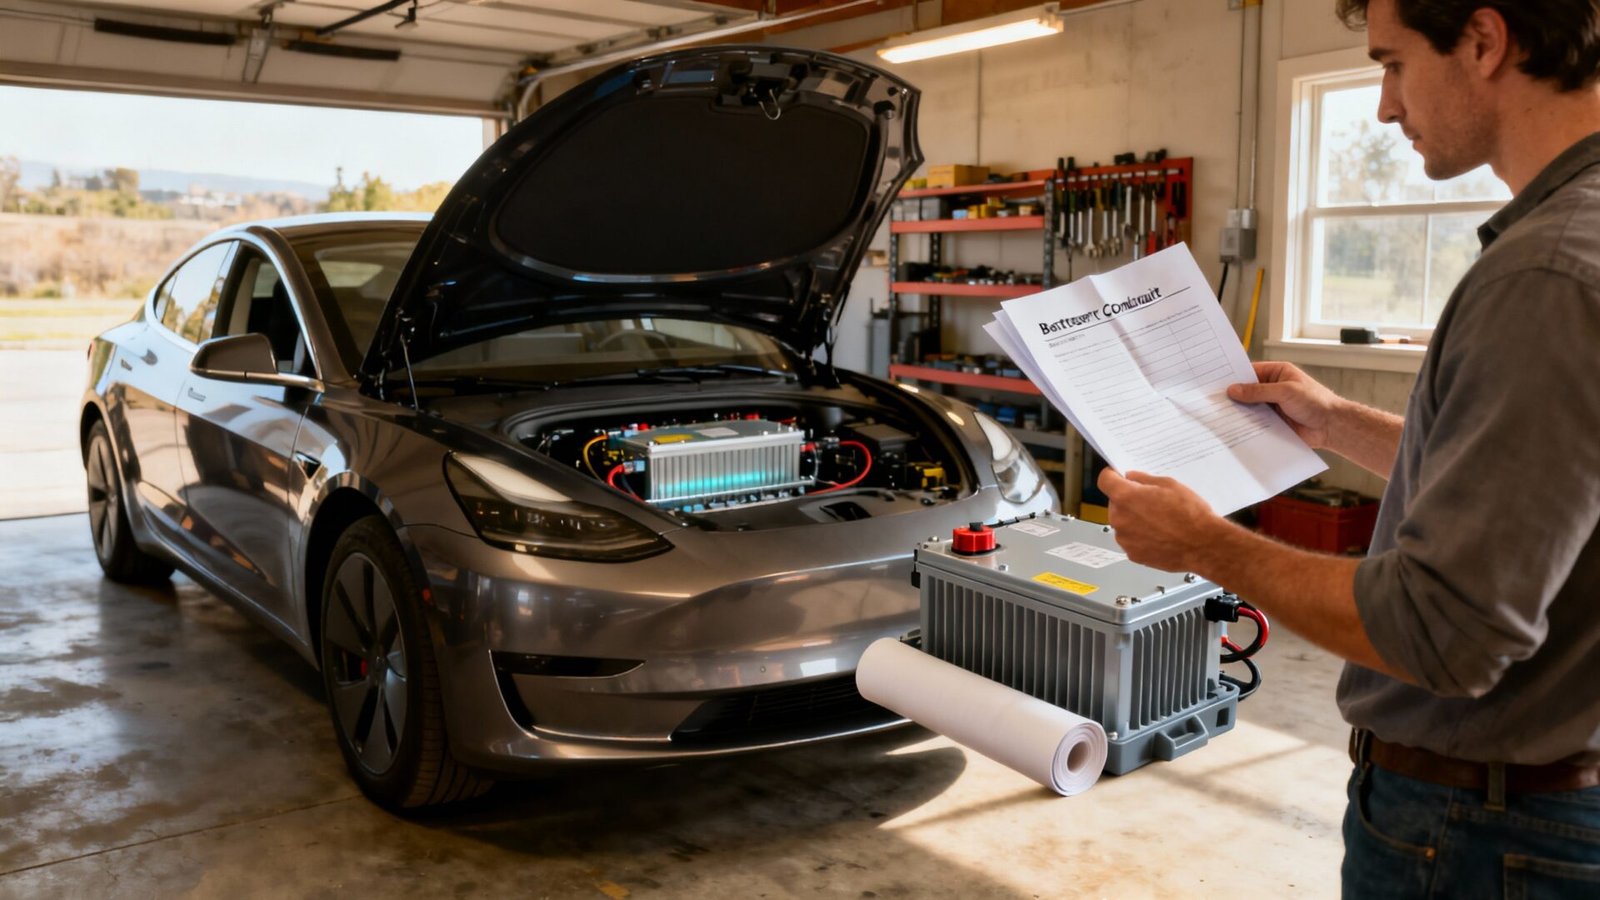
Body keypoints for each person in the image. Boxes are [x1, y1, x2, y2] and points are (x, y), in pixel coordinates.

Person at [1096, 0, 1600, 895]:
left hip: (1480, 830)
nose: (1385, 106)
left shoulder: (1546, 273)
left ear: (1484, 41)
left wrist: (1206, 544)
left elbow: (1443, 630)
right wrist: (1333, 421)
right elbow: (1539, 482)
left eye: (1393, 63)